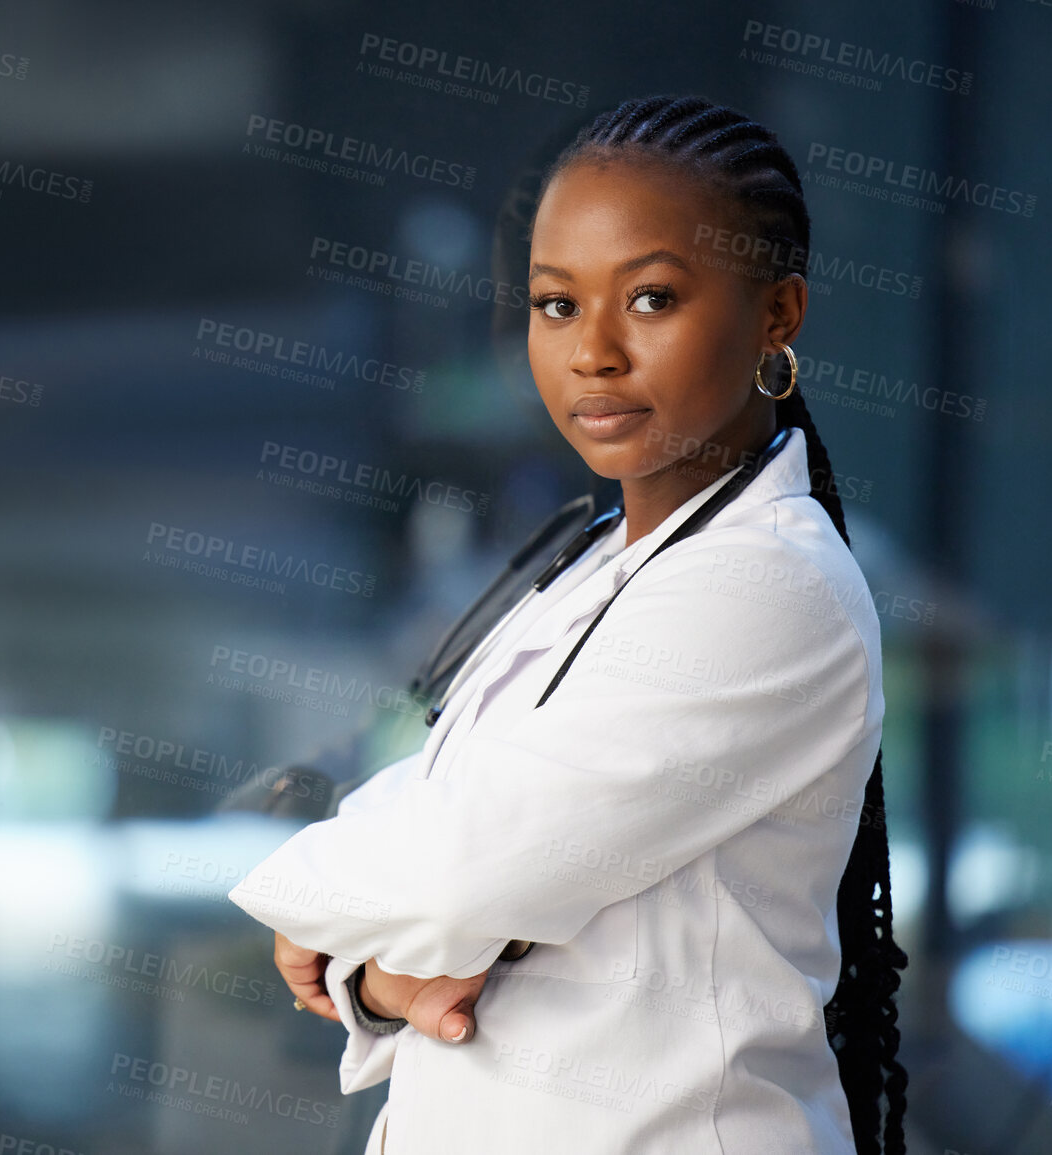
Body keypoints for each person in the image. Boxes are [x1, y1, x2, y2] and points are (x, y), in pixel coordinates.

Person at [229, 93, 909, 1154]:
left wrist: (316, 907)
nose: (593, 351)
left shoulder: (765, 588)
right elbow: (449, 810)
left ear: (778, 315)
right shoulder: (596, 564)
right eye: (556, 305)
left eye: (650, 299)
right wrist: (380, 965)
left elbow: (462, 867)